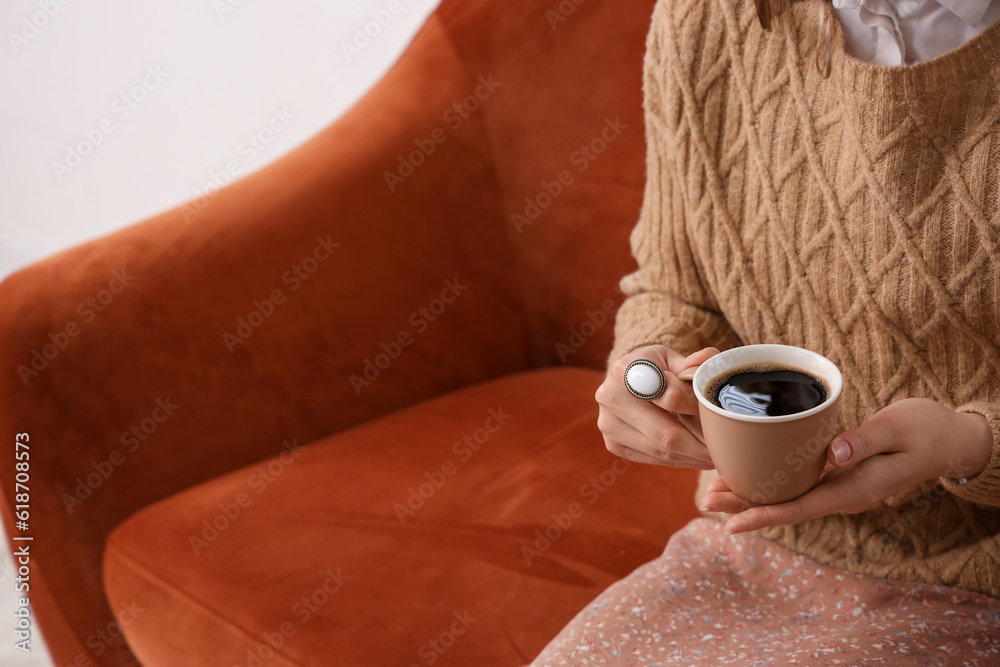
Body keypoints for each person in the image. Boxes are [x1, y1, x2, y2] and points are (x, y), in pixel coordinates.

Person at [532, 0, 1000, 662]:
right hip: (761, 539)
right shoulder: (706, 17)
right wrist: (643, 370)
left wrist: (970, 445)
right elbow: (675, 284)